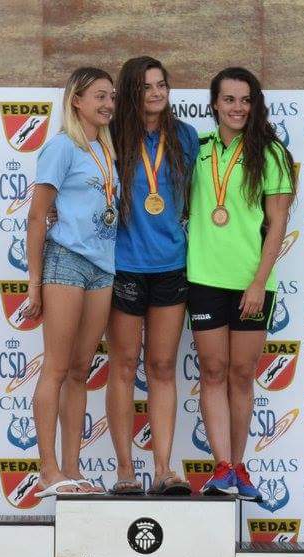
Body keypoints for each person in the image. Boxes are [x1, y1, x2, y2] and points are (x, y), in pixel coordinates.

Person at [187, 67, 295, 499]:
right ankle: (222, 467)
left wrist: (258, 282)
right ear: (214, 103)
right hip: (203, 278)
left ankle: (240, 464)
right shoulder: (196, 147)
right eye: (229, 99)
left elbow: (278, 223)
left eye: (246, 100)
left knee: (242, 374)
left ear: (255, 104)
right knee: (213, 371)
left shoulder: (271, 153)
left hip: (253, 282)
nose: (238, 108)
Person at [105, 56, 199, 496]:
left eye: (162, 85)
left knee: (161, 366)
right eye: (147, 87)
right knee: (124, 366)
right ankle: (125, 471)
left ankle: (163, 469)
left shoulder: (185, 137)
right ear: (130, 92)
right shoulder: (111, 137)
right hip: (124, 265)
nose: (157, 93)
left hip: (171, 266)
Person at [24, 67, 119, 497]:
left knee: (81, 370)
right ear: (76, 100)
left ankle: (72, 469)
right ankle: (47, 469)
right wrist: (34, 282)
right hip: (66, 262)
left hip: (103, 267)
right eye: (99, 96)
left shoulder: (105, 150)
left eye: (111, 97)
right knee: (57, 367)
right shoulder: (61, 147)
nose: (108, 104)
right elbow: (36, 216)